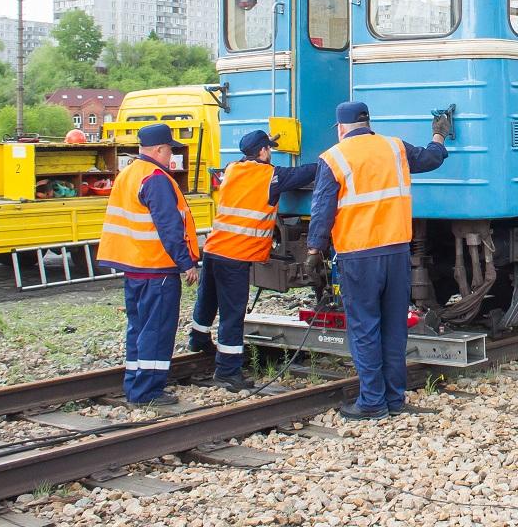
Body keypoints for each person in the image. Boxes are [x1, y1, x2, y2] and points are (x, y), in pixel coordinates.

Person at [308, 101, 450, 420]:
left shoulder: (333, 158)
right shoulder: (394, 147)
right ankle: (394, 399)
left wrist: (314, 251)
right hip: (397, 252)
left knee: (364, 327)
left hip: (358, 256)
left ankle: (372, 401)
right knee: (393, 327)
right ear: (368, 123)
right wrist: (440, 135)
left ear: (342, 128)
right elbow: (430, 158)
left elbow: (322, 211)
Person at [188, 130, 319, 392]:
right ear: (262, 151)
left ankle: (198, 339)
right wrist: (330, 160)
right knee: (232, 313)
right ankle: (227, 371)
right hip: (236, 255)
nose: (270, 152)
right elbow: (306, 173)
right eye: (269, 148)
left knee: (208, 299)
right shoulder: (270, 175)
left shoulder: (232, 169)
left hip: (214, 248)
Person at [97, 123, 200, 406]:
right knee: (157, 330)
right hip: (157, 269)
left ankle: (134, 385)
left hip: (134, 267)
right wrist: (186, 264)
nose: (172, 157)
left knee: (139, 328)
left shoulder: (128, 174)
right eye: (170, 150)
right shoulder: (156, 178)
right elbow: (169, 227)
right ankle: (148, 392)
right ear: (158, 149)